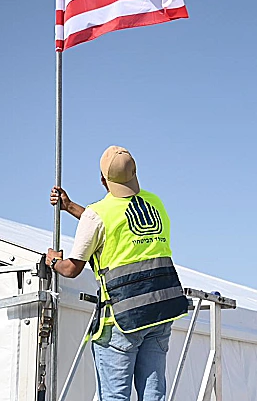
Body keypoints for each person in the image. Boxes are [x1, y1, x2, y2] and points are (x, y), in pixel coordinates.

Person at [46, 145, 189, 401]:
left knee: (115, 397)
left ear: (103, 179)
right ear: (134, 173)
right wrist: (71, 208)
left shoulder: (96, 215)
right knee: (153, 395)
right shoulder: (155, 204)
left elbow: (71, 269)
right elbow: (120, 225)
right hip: (160, 313)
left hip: (122, 321)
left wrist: (53, 261)